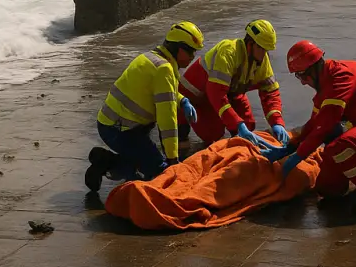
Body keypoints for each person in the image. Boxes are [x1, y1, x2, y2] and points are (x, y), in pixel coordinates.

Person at [262, 40, 356, 218]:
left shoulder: (341, 79)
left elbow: (323, 127)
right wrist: (292, 146)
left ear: (315, 68)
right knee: (328, 189)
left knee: (341, 146)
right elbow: (314, 123)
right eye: (298, 77)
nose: (303, 82)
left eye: (302, 76)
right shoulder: (328, 81)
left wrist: (295, 158)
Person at [86, 21, 204, 192]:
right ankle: (111, 165)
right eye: (191, 51)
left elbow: (162, 92)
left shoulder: (152, 57)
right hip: (119, 130)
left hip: (116, 124)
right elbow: (167, 122)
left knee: (144, 156)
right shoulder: (163, 69)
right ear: (178, 48)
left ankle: (108, 161)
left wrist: (182, 100)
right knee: (159, 174)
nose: (193, 56)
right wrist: (172, 161)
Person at [177, 19, 288, 150]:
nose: (265, 55)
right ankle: (181, 147)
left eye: (267, 50)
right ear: (250, 44)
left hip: (229, 92)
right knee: (212, 135)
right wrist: (237, 124)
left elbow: (270, 93)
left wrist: (277, 122)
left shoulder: (261, 59)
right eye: (262, 49)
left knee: (249, 125)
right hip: (195, 97)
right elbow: (217, 95)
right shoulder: (228, 52)